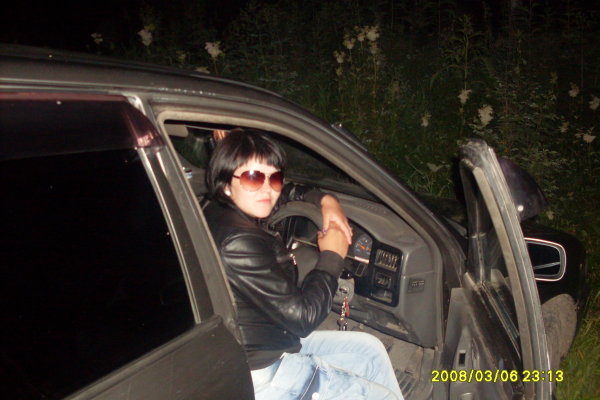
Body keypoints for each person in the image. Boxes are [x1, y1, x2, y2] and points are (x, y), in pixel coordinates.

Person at [204, 129, 404, 400]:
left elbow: (284, 192)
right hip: (264, 371)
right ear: (226, 183)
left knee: (368, 350)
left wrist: (327, 201)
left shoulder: (217, 207)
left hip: (268, 339)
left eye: (274, 177)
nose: (267, 189)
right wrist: (332, 256)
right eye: (253, 177)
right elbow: (303, 319)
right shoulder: (240, 241)